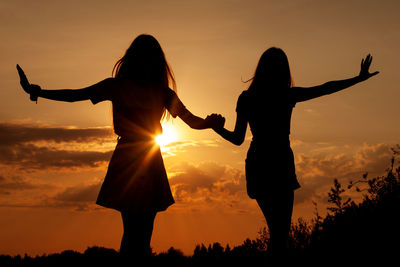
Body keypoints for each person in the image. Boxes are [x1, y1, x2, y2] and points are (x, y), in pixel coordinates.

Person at [16, 34, 224, 261]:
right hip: (134, 159)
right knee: (137, 232)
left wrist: (211, 123)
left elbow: (193, 122)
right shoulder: (122, 87)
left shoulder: (157, 92)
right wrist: (38, 92)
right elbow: (75, 95)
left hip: (145, 159)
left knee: (141, 234)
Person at [211, 48, 379, 258]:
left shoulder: (248, 98)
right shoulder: (287, 95)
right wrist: (358, 79)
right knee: (281, 234)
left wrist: (216, 128)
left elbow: (237, 139)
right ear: (284, 70)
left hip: (259, 163)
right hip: (280, 162)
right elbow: (325, 88)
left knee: (277, 233)